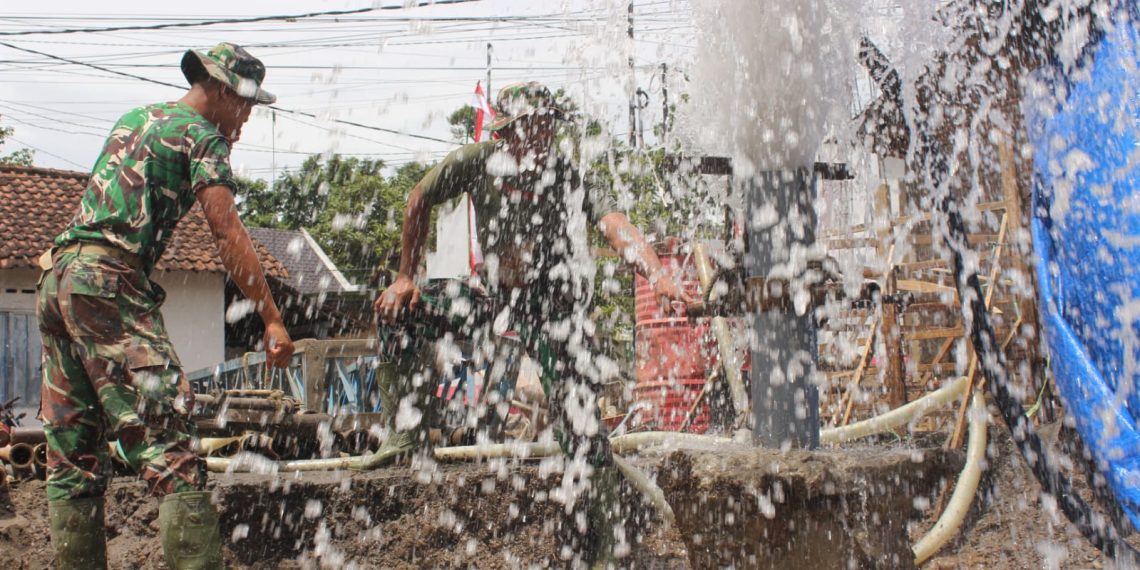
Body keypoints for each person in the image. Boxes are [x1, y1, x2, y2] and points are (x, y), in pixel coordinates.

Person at [371, 81, 691, 563]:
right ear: (508, 133)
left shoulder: (566, 174)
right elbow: (418, 198)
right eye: (531, 128)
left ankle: (609, 535)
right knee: (401, 312)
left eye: (548, 127)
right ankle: (406, 439)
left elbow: (612, 222)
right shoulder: (478, 162)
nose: (541, 138)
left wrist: (657, 272)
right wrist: (403, 276)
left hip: (552, 308)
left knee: (581, 425)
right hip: (493, 297)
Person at [36, 43, 294, 570]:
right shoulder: (202, 136)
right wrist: (270, 315)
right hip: (108, 284)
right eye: (245, 104)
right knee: (169, 438)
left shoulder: (136, 118)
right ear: (222, 91)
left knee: (74, 451)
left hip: (58, 280)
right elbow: (227, 232)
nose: (246, 117)